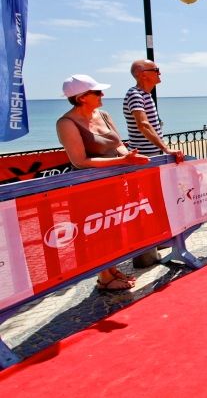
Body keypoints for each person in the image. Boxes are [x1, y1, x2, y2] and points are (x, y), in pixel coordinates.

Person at [56, 74, 150, 291]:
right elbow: (79, 161)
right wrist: (123, 161)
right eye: (97, 92)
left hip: (115, 182)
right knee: (97, 232)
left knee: (115, 228)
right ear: (81, 97)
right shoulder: (66, 123)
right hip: (89, 187)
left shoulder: (104, 114)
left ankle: (111, 268)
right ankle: (103, 277)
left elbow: (119, 146)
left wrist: (132, 159)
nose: (103, 95)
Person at [123, 59, 185, 268]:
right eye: (156, 70)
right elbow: (143, 125)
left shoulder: (146, 95)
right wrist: (166, 148)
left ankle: (155, 243)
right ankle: (144, 253)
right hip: (145, 161)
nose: (160, 73)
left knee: (156, 201)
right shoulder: (135, 94)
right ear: (142, 74)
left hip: (153, 159)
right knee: (145, 204)